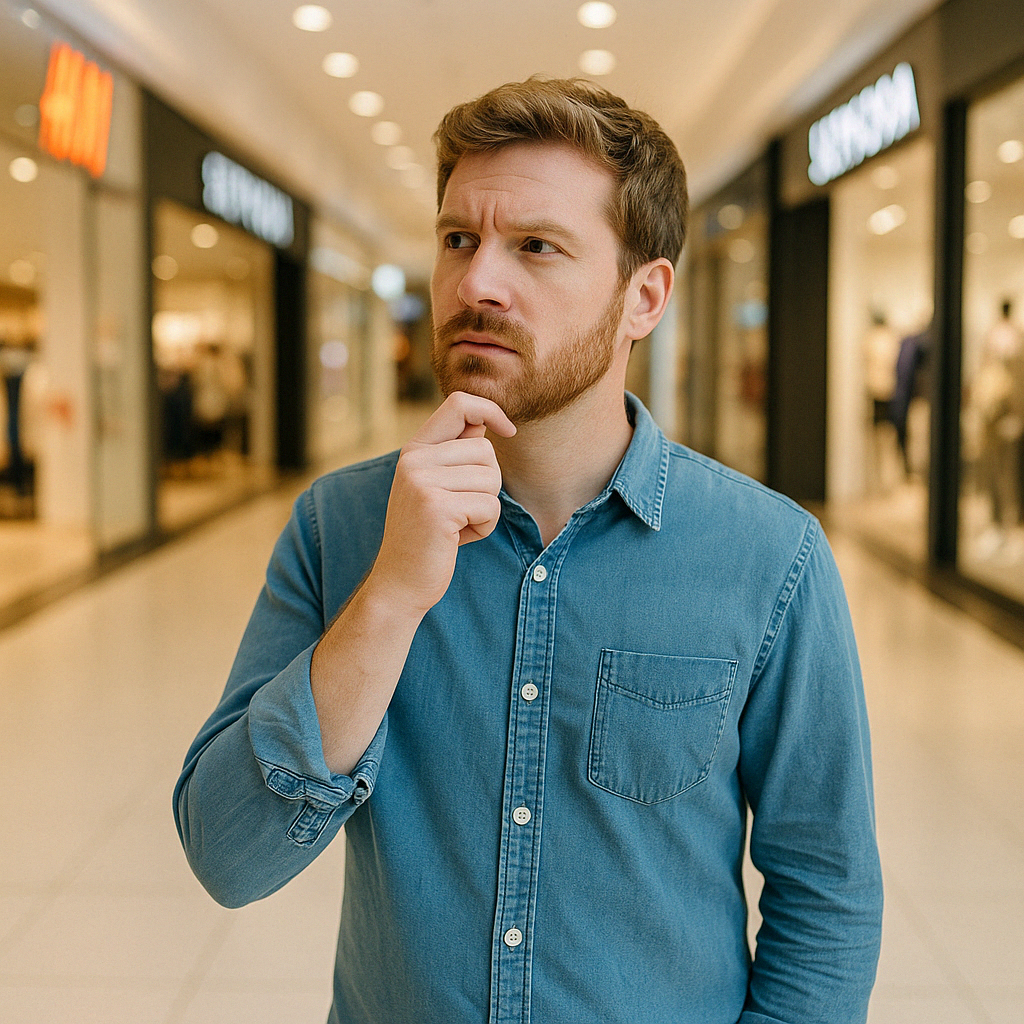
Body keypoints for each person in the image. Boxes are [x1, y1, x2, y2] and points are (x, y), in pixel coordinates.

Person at [174, 77, 882, 1024]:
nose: (476, 285)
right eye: (459, 240)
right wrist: (389, 599)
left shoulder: (769, 558)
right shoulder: (341, 527)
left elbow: (827, 895)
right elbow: (228, 856)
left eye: (536, 247)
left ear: (645, 296)